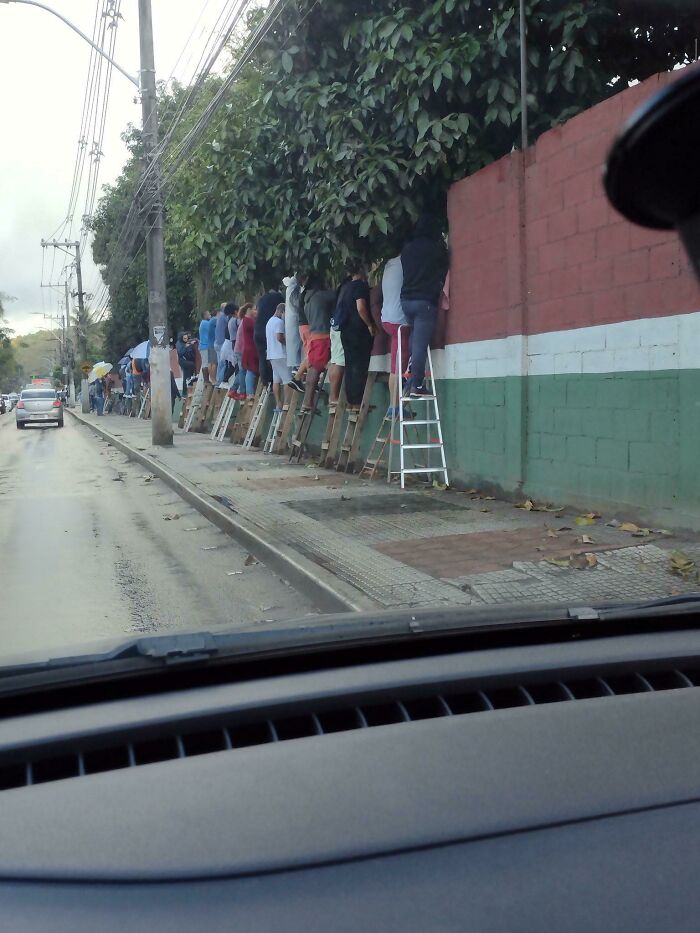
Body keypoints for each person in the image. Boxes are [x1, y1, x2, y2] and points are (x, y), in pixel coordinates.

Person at [400, 214, 449, 397]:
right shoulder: (435, 249)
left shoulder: (407, 249)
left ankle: (411, 379)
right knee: (420, 344)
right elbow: (444, 266)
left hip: (406, 300)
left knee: (414, 339)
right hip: (424, 301)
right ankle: (417, 385)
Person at [336, 262, 377, 410]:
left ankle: (351, 402)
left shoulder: (345, 288)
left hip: (346, 331)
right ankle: (358, 401)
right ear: (361, 270)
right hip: (358, 332)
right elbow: (361, 307)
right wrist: (370, 324)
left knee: (350, 364)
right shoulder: (360, 286)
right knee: (360, 365)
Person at [380, 255, 410, 416]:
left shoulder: (389, 263)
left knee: (396, 363)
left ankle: (395, 404)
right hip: (400, 322)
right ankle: (394, 406)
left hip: (387, 318)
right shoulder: (407, 262)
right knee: (397, 368)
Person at [301, 276, 335, 410]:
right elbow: (337, 295)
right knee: (316, 368)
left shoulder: (307, 300)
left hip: (314, 336)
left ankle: (307, 401)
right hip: (322, 336)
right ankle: (308, 401)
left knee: (314, 367)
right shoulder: (320, 296)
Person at [254, 288, 284, 386]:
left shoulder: (262, 299)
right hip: (268, 329)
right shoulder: (278, 298)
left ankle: (266, 381)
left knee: (262, 357)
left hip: (258, 329)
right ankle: (274, 379)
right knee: (272, 356)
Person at [266, 303, 291, 412]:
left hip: (271, 354)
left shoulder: (269, 322)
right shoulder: (279, 322)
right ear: (282, 312)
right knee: (287, 379)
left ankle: (278, 404)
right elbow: (279, 337)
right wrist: (288, 342)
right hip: (280, 354)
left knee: (276, 379)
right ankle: (287, 403)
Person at [238, 304, 259, 399]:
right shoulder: (249, 321)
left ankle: (248, 392)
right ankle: (250, 393)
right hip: (251, 348)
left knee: (249, 371)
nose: (256, 312)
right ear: (249, 310)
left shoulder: (244, 320)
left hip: (247, 348)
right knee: (251, 371)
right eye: (254, 310)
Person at [283, 274, 303, 374]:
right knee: (297, 344)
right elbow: (297, 305)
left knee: (294, 345)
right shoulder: (295, 290)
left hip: (291, 322)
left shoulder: (290, 290)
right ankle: (297, 367)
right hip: (296, 321)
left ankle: (296, 366)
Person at [217, 302, 239, 385]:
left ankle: (223, 381)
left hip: (227, 344)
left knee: (228, 365)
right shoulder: (234, 320)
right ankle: (225, 381)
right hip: (230, 345)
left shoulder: (229, 319)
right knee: (233, 366)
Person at [198, 310, 211, 382]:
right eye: (209, 315)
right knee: (205, 363)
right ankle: (206, 381)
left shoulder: (203, 323)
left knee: (205, 363)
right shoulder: (206, 323)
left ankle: (206, 380)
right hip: (205, 346)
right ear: (205, 316)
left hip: (204, 346)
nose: (210, 316)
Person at [207, 309, 219, 383]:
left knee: (210, 362)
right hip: (214, 343)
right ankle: (214, 379)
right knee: (214, 363)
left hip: (209, 343)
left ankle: (211, 378)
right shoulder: (215, 320)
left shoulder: (210, 321)